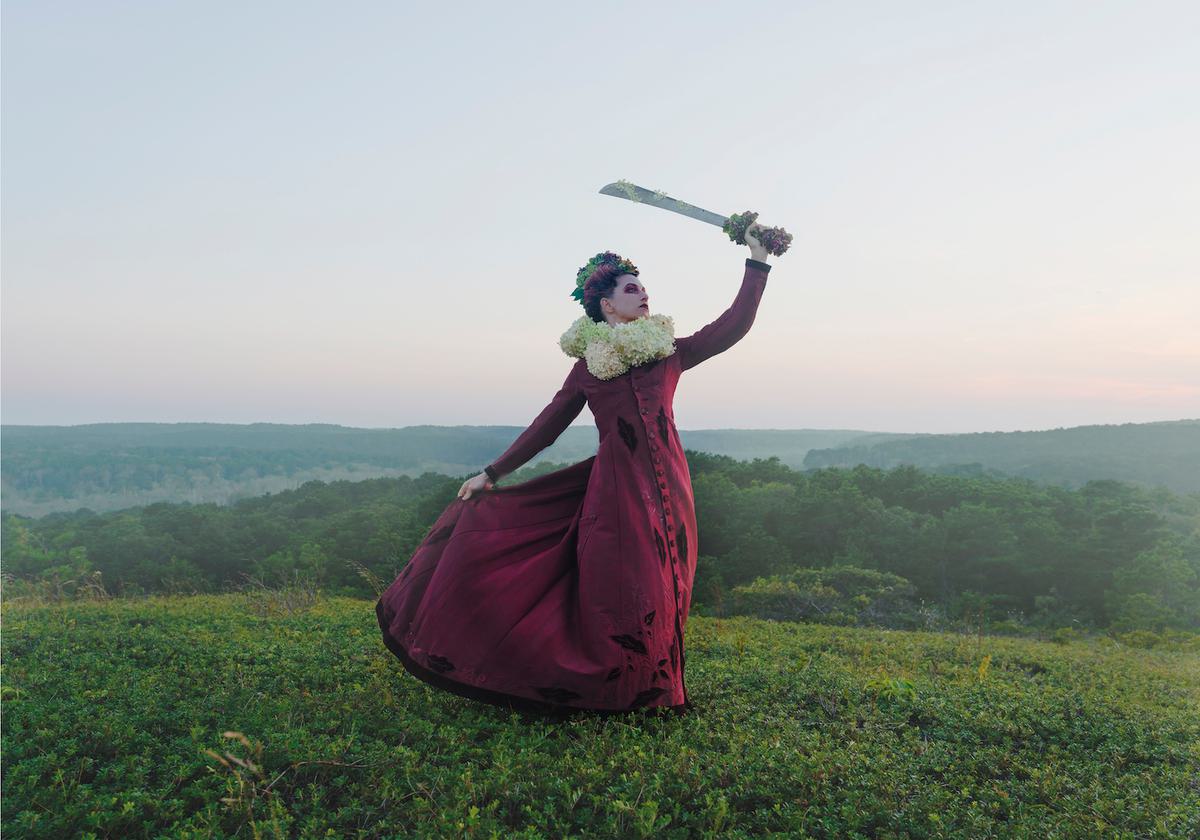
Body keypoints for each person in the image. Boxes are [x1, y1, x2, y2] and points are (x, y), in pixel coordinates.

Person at [376, 223, 774, 717]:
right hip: (616, 487)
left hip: (672, 482)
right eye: (633, 289)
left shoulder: (668, 353)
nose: (644, 295)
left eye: (645, 288)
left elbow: (733, 325)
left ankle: (659, 692)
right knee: (626, 583)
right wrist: (493, 472)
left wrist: (757, 260)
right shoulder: (589, 366)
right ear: (607, 304)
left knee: (672, 579)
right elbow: (549, 424)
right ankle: (610, 692)